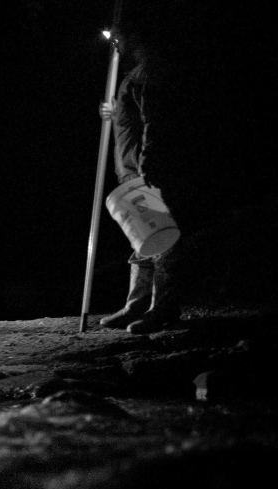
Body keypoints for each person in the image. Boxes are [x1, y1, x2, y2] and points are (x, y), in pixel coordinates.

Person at [98, 25, 181, 335]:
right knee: (140, 234)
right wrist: (114, 111)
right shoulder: (135, 73)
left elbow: (153, 121)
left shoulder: (149, 73)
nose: (116, 43)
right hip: (129, 169)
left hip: (145, 170)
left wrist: (148, 164)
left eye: (121, 38)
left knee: (160, 236)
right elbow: (131, 115)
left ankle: (164, 307)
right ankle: (137, 303)